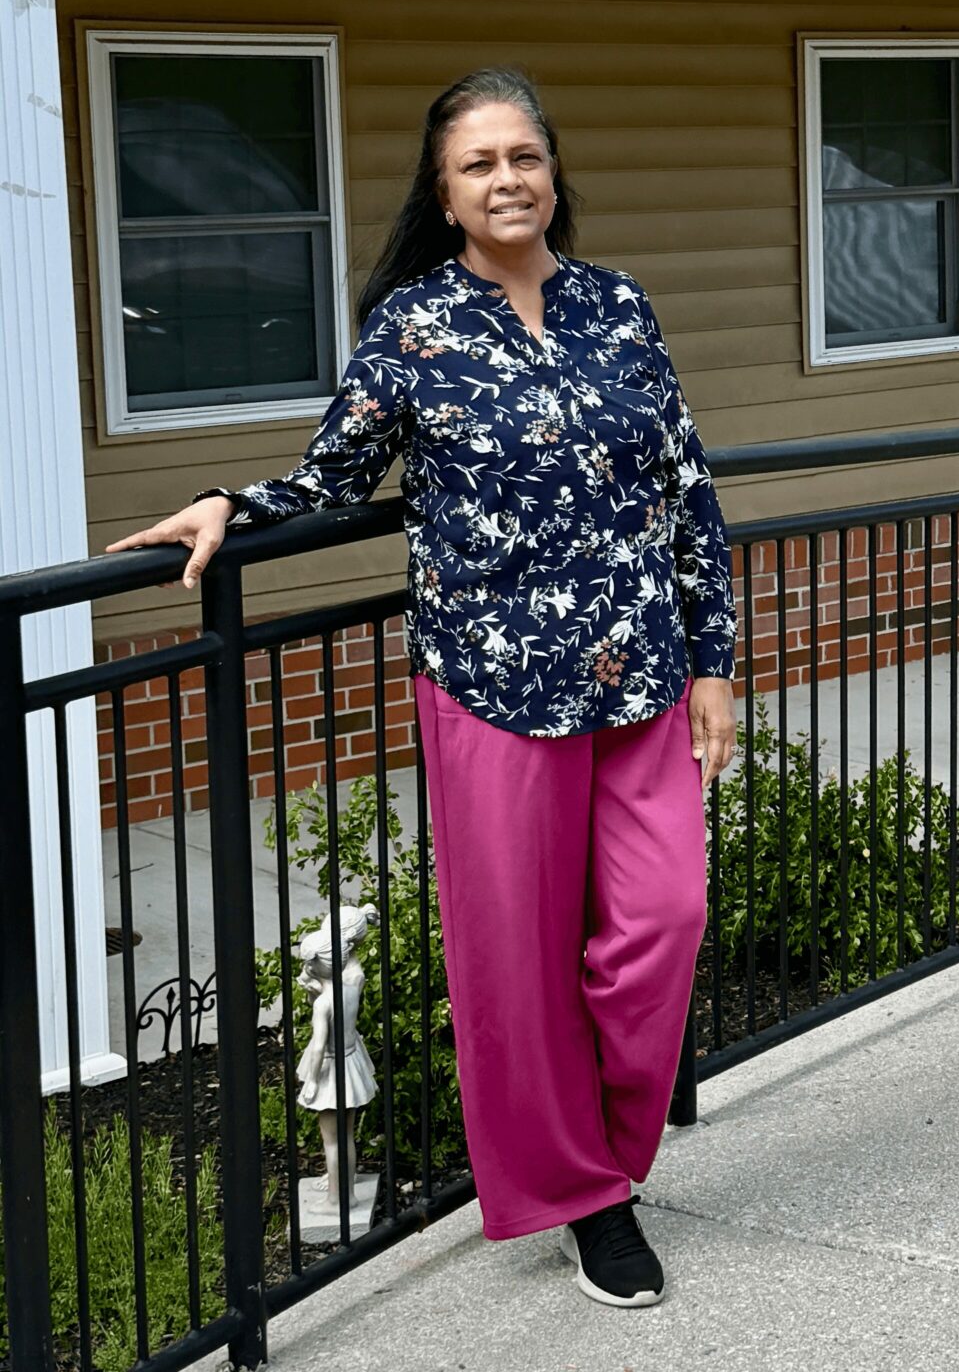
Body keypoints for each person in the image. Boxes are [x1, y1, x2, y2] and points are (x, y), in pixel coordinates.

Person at [110, 66, 737, 1309]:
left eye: (524, 156)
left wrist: (715, 657)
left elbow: (685, 487)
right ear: (445, 197)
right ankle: (588, 1197)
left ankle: (612, 1145)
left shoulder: (619, 305)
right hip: (493, 686)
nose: (507, 179)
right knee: (517, 957)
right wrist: (237, 504)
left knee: (660, 922)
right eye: (478, 164)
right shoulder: (414, 326)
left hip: (641, 674)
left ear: (554, 172)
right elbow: (337, 471)